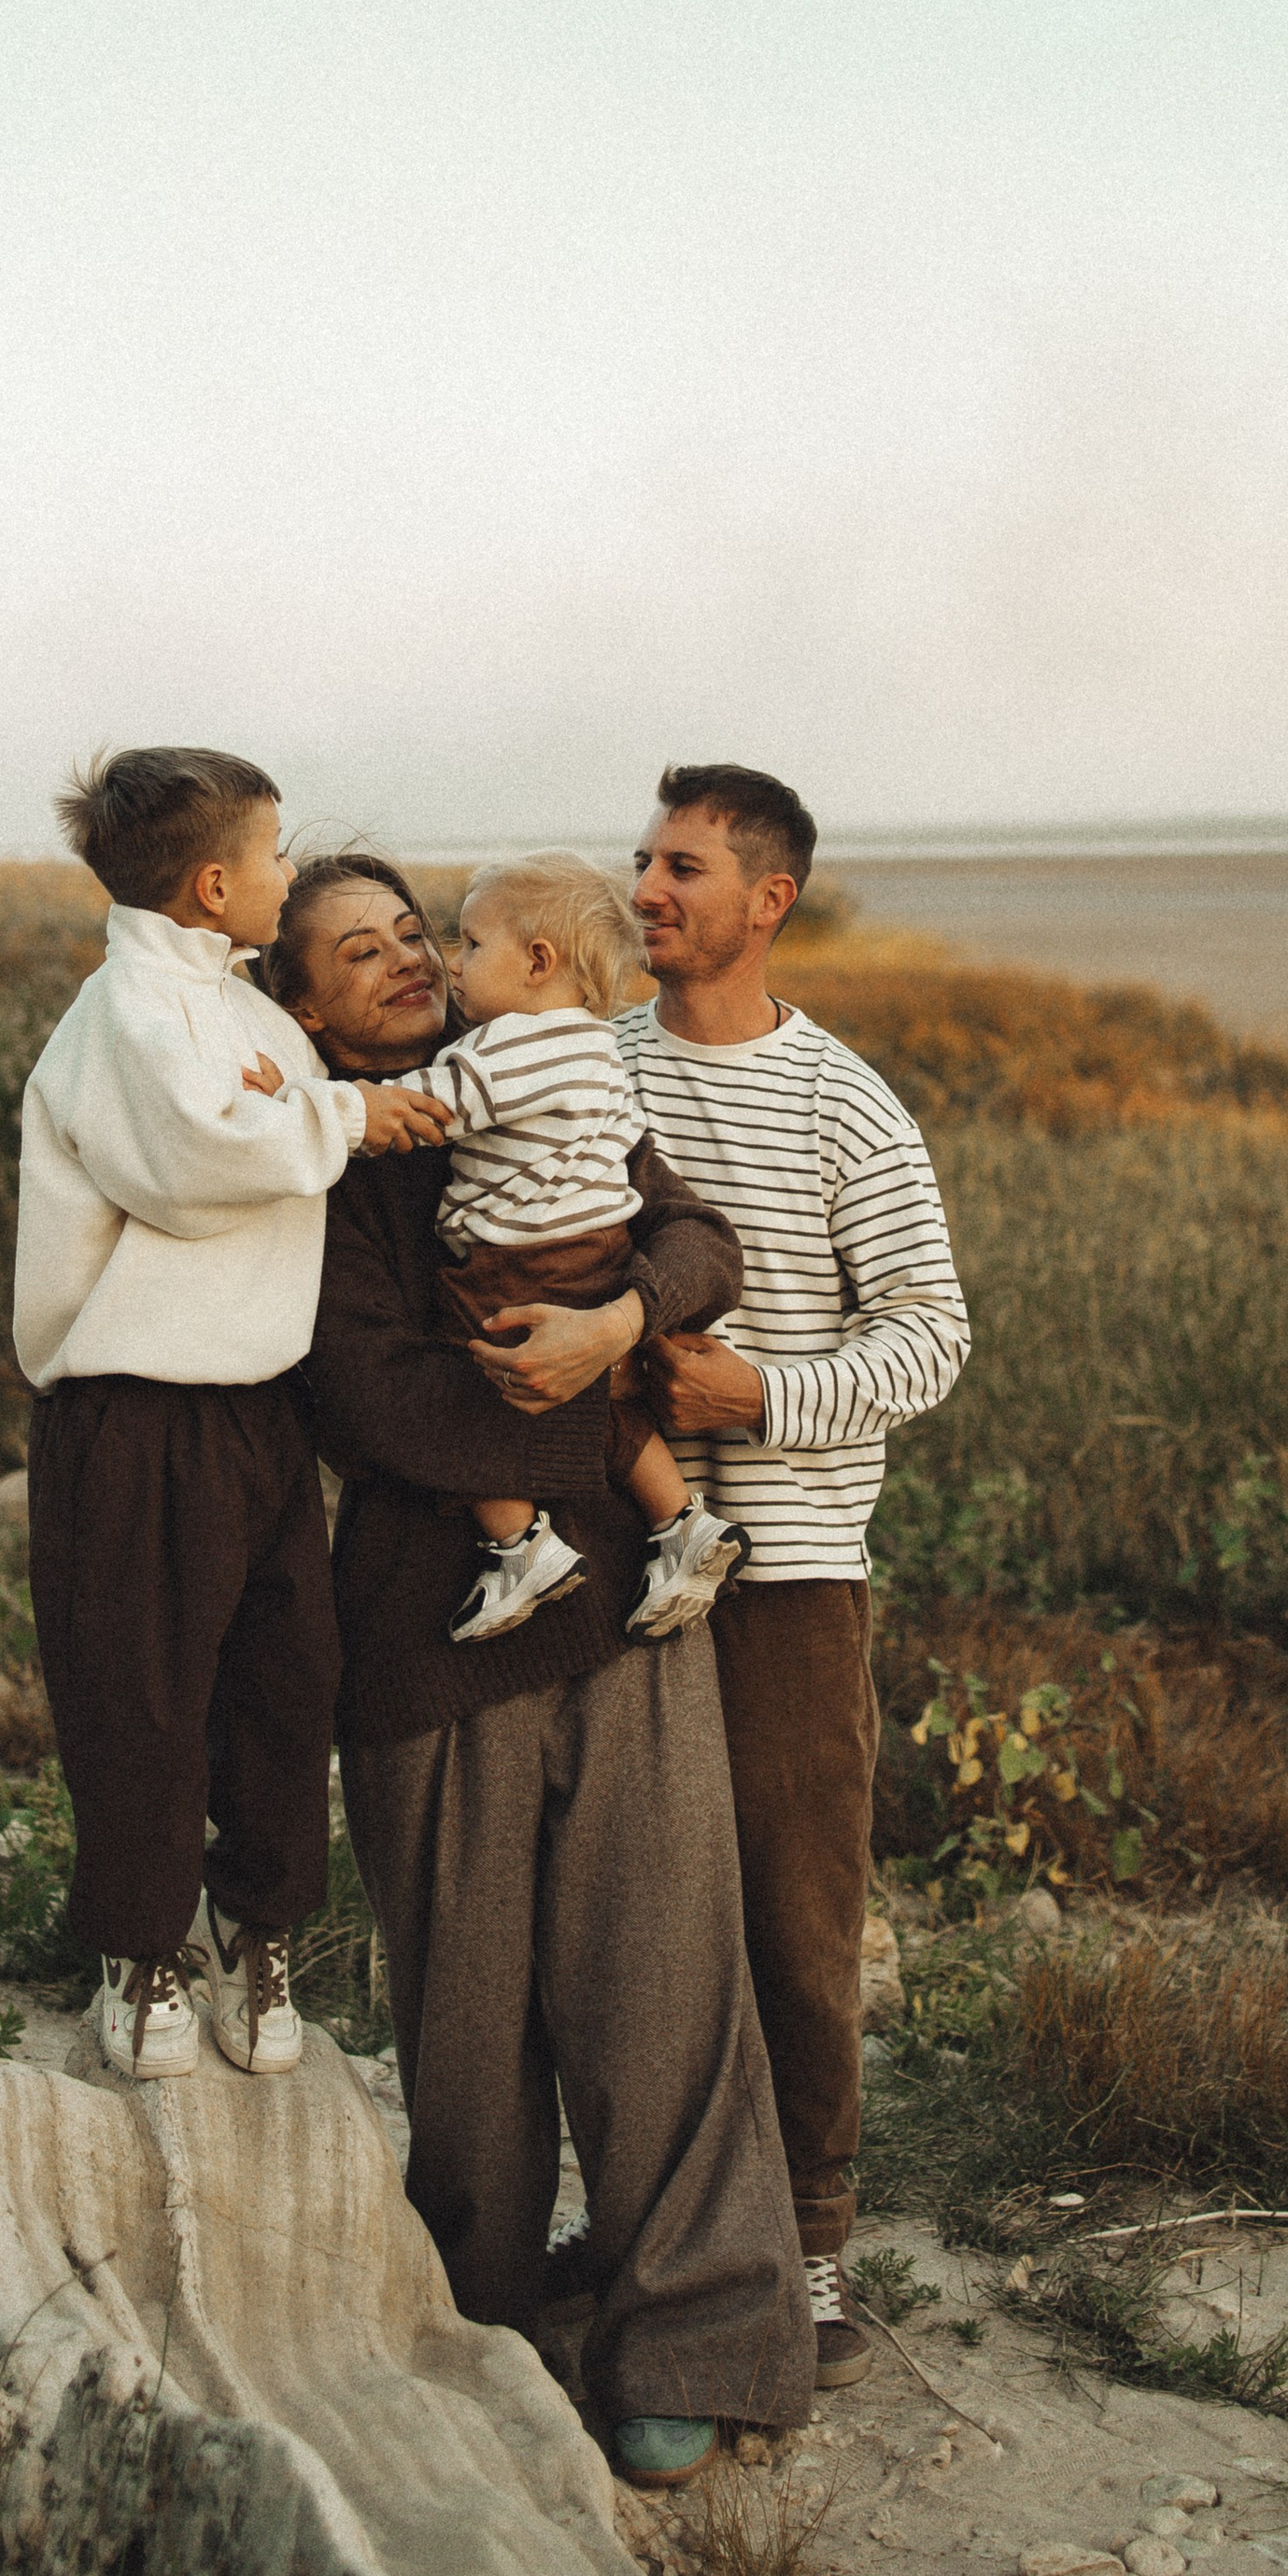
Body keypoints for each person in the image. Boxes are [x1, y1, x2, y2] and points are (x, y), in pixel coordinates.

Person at [266, 853, 814, 2489]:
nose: (402, 964)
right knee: (468, 2030)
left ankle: (700, 2340)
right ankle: (481, 2339)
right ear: (302, 1002)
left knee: (667, 1985)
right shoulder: (321, 1163)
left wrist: (622, 1316)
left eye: (412, 935)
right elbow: (375, 1406)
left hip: (633, 1617)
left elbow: (700, 1241)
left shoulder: (550, 1091)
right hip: (438, 1645)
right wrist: (614, 1390)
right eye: (354, 953)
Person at [15, 750, 446, 2085]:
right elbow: (200, 1164)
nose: (284, 875)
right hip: (135, 1408)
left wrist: (306, 1105)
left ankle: (258, 1930)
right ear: (215, 885)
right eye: (272, 857)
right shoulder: (128, 1014)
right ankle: (142, 1951)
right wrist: (346, 1116)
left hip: (259, 1409)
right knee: (140, 1693)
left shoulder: (248, 1015)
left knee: (283, 1682)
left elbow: (263, 1120)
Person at [619, 764, 971, 2389]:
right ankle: (649, 2234)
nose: (647, 888)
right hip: (606, 1561)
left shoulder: (845, 1101)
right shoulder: (592, 1063)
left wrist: (758, 1398)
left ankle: (812, 2249)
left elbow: (932, 1337)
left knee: (792, 1913)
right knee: (627, 1919)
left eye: (682, 866)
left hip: (791, 1575)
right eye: (641, 859)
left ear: (770, 899)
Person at [396, 849, 751, 1646]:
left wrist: (314, 1106)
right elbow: (623, 1144)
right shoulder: (598, 1047)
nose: (453, 964)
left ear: (538, 961)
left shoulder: (507, 1045)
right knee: (604, 1401)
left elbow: (430, 1107)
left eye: (472, 945)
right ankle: (684, 1521)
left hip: (516, 1260)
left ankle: (520, 1546)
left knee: (468, 1377)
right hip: (601, 1253)